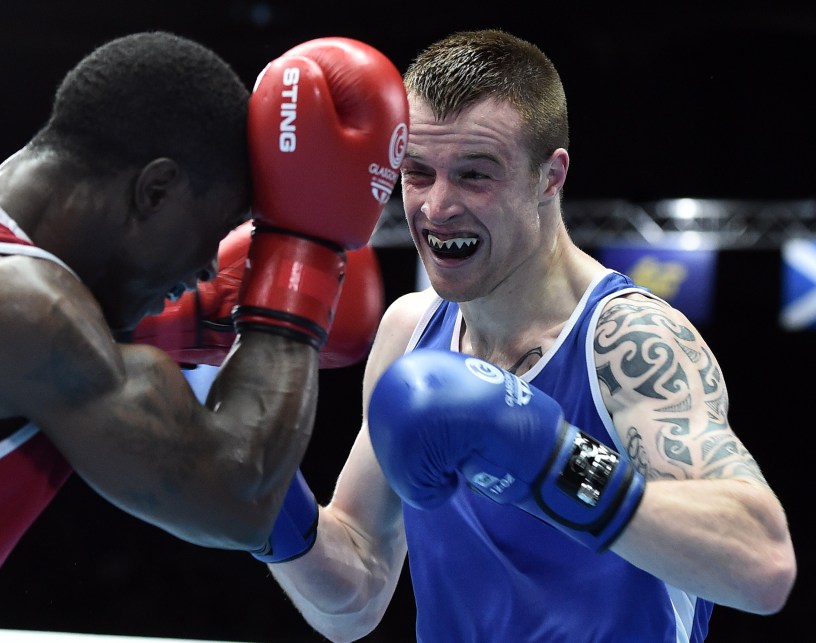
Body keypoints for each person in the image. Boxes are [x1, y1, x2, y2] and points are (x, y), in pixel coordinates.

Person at [0, 31, 408, 642]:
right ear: (156, 190)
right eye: (217, 227)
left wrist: (190, 320)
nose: (209, 264)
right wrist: (304, 248)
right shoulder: (18, 310)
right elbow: (239, 497)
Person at [254, 29, 797, 642]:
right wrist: (264, 494)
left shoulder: (627, 341)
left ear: (550, 176)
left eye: (475, 175)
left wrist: (552, 462)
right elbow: (354, 598)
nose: (436, 207)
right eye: (419, 173)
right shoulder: (410, 331)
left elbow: (763, 563)